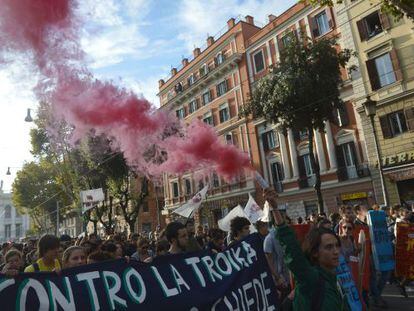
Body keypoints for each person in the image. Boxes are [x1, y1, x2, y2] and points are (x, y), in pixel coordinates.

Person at [265, 188, 350, 311]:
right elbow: (291, 247)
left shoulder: (335, 280)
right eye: (329, 247)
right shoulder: (310, 278)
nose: (336, 251)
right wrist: (275, 209)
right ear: (315, 253)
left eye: (337, 245)